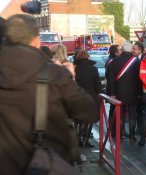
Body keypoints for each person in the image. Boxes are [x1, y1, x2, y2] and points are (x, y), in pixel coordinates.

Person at [0, 14, 97, 175]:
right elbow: (88, 112)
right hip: (46, 164)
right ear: (36, 40)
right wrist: (71, 79)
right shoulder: (54, 74)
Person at [109, 42, 141, 143]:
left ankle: (120, 135)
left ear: (122, 50)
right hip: (133, 92)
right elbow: (140, 79)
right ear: (131, 50)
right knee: (132, 114)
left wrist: (112, 93)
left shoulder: (115, 61)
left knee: (121, 115)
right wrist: (140, 93)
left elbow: (111, 79)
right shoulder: (137, 61)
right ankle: (132, 136)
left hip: (119, 93)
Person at [74, 50, 101, 148]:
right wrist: (100, 93)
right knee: (89, 119)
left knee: (78, 119)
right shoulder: (93, 69)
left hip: (78, 96)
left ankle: (78, 139)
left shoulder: (75, 69)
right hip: (91, 97)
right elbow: (97, 85)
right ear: (87, 57)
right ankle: (85, 140)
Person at [106, 45, 122, 136]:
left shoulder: (111, 61)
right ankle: (112, 130)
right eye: (120, 50)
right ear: (115, 53)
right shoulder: (111, 62)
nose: (121, 51)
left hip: (112, 89)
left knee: (113, 109)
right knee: (113, 110)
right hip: (113, 89)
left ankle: (112, 129)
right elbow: (110, 78)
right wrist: (112, 92)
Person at [131, 42, 146, 136]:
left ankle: (144, 131)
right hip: (137, 90)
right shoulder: (133, 59)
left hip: (143, 90)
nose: (133, 50)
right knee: (139, 111)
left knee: (142, 112)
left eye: (135, 49)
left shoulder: (144, 59)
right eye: (132, 48)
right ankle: (140, 130)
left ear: (140, 50)